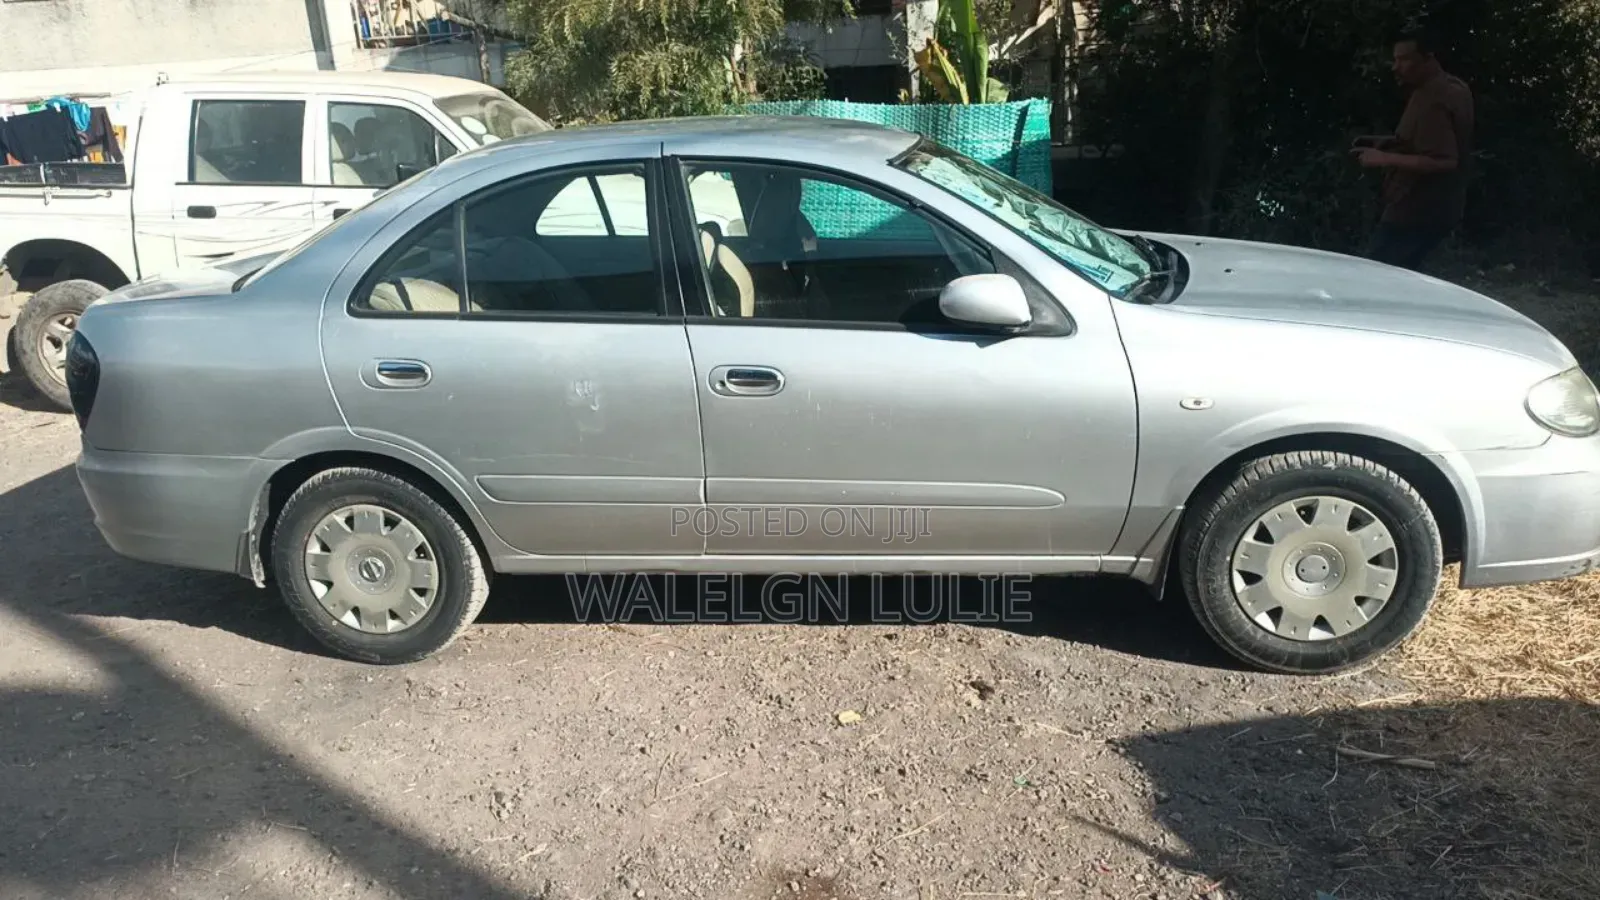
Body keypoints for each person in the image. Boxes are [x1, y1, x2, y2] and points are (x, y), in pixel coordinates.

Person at [1351, 29, 1475, 270]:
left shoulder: (1436, 98)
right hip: (1428, 208)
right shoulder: (1450, 87)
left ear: (1428, 58)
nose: (1396, 67)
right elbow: (1420, 141)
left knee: (1374, 276)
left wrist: (1382, 158)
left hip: (1418, 210)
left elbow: (1444, 160)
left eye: (1404, 59)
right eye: (1395, 59)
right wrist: (1381, 142)